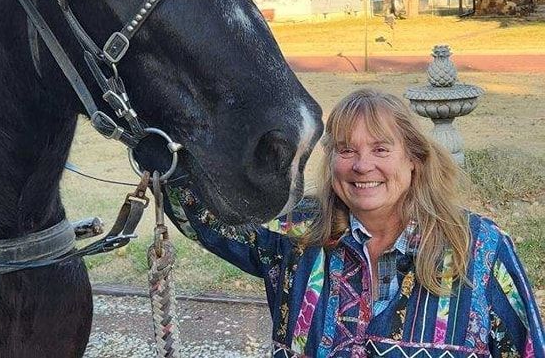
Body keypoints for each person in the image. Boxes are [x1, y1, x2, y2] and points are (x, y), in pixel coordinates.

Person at [165, 89, 545, 357]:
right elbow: (203, 216)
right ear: (331, 161)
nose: (362, 166)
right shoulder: (295, 236)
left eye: (381, 149)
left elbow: (529, 348)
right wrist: (163, 148)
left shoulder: (480, 248)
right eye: (346, 150)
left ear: (414, 158)